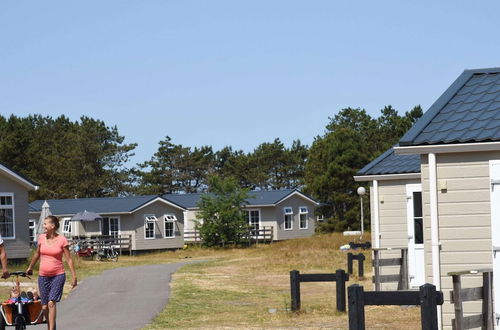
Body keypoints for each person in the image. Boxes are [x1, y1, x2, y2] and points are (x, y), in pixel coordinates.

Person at [26, 215, 77, 330]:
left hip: (58, 276)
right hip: (43, 276)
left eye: (45, 224)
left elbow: (68, 259)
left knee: (51, 303)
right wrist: (30, 267)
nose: (43, 226)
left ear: (52, 226)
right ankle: (51, 326)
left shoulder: (62, 240)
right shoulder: (41, 238)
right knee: (44, 307)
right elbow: (37, 254)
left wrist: (74, 276)